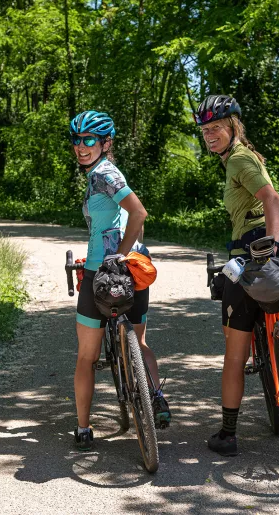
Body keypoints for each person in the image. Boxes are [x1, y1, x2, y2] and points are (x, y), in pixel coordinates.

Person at [196, 95, 279, 457]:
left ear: (233, 126)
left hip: (253, 254)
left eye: (216, 127)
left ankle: (228, 434)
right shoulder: (246, 157)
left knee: (235, 353)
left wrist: (269, 246)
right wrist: (277, 249)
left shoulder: (238, 158)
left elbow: (272, 198)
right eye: (205, 130)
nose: (210, 135)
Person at [69, 110, 170, 451]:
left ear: (106, 143)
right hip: (134, 271)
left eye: (89, 140)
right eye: (77, 140)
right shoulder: (109, 173)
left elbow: (139, 213)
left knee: (87, 356)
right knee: (138, 342)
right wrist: (126, 254)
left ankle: (83, 428)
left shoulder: (103, 174)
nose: (81, 146)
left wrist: (116, 256)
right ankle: (155, 396)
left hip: (102, 272)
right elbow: (124, 220)